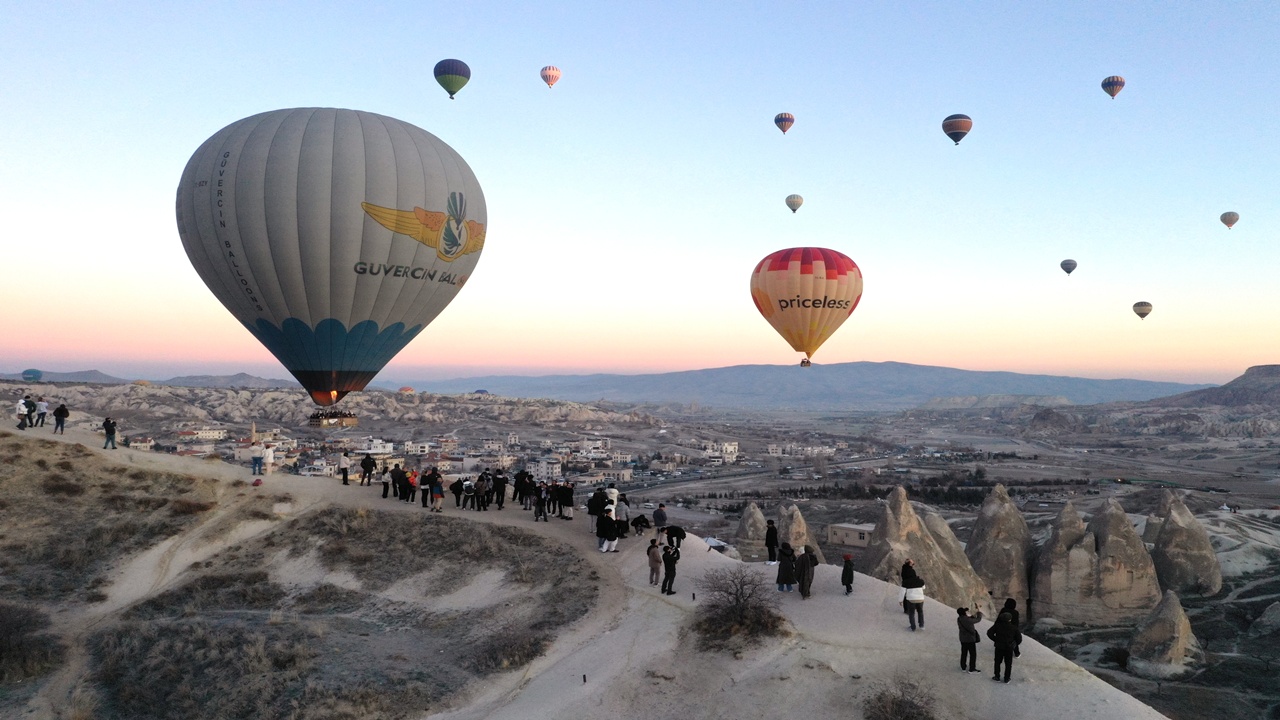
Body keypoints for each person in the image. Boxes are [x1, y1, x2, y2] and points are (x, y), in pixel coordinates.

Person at [987, 612, 1022, 683]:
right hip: (1009, 647)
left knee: (997, 662)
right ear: (1010, 619)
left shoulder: (997, 626)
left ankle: (997, 676)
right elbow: (1019, 639)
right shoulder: (1014, 627)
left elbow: (989, 633)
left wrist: (995, 639)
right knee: (1008, 663)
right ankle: (1007, 678)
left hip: (999, 646)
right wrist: (1014, 644)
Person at [957, 607, 984, 673]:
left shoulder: (959, 619)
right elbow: (978, 620)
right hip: (970, 639)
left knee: (964, 653)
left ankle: (963, 667)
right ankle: (972, 668)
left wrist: (974, 614)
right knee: (972, 654)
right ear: (964, 613)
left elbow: (969, 619)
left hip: (963, 639)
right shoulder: (967, 620)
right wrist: (979, 613)